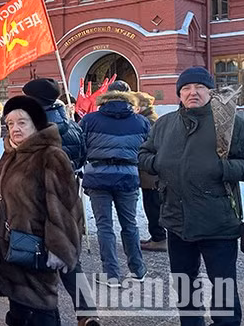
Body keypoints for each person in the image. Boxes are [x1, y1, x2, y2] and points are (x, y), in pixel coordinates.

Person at [139, 67, 243, 325]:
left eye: (199, 87)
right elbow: (143, 154)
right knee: (184, 286)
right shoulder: (164, 124)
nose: (192, 92)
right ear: (179, 94)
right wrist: (157, 163)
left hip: (217, 220)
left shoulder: (229, 122)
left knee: (222, 287)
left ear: (210, 91)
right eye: (186, 88)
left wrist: (221, 168)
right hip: (176, 220)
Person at [0, 95, 82, 325]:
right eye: (10, 123)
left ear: (35, 124)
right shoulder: (10, 155)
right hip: (11, 256)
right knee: (19, 314)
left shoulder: (51, 156)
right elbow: (2, 193)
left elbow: (66, 207)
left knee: (40, 315)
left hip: (35, 256)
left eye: (22, 122)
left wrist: (59, 248)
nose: (15, 128)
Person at [23, 78, 97, 325]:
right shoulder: (71, 123)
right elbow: (83, 155)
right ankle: (87, 311)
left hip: (41, 199)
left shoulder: (37, 128)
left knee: (40, 261)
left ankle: (49, 315)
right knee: (70, 257)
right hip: (69, 199)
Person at [81, 80, 149, 286]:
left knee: (104, 226)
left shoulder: (90, 119)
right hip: (128, 176)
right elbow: (147, 149)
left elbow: (81, 148)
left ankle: (111, 274)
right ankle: (138, 270)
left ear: (106, 95)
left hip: (98, 176)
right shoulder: (141, 121)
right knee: (130, 224)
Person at [134, 91, 166, 252]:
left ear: (141, 106)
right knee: (152, 205)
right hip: (150, 172)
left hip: (151, 173)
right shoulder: (151, 119)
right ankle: (157, 236)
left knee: (153, 206)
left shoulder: (149, 121)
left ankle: (159, 237)